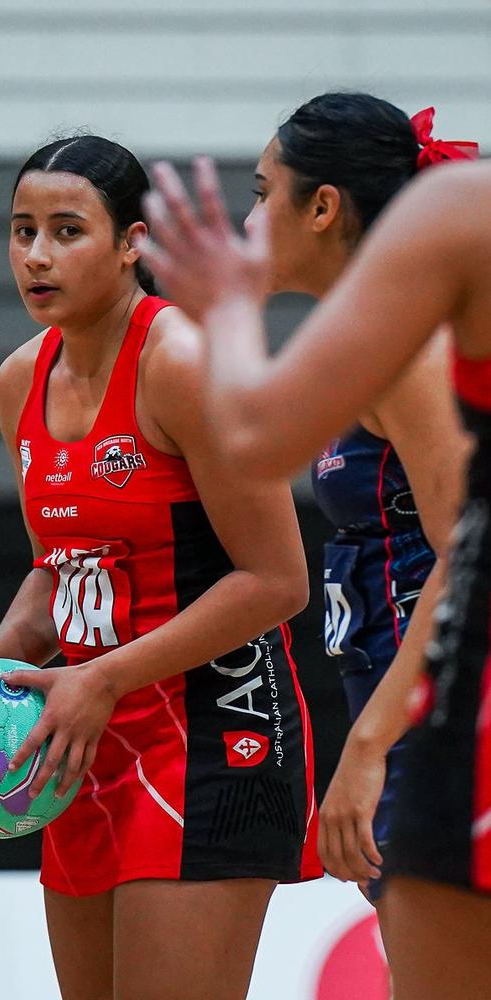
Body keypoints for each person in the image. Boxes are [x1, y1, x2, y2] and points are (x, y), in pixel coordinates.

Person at [0, 134, 322, 1000]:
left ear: (133, 242)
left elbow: (278, 580)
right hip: (81, 742)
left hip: (212, 734)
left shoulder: (183, 361)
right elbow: (57, 568)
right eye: (22, 232)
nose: (37, 256)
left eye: (67, 231)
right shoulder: (19, 379)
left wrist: (102, 678)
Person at [139, 145, 491, 998]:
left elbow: (463, 548)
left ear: (324, 206)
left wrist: (371, 745)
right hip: (405, 693)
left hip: (439, 705)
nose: (253, 218)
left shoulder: (414, 341)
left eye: (263, 195)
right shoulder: (378, 335)